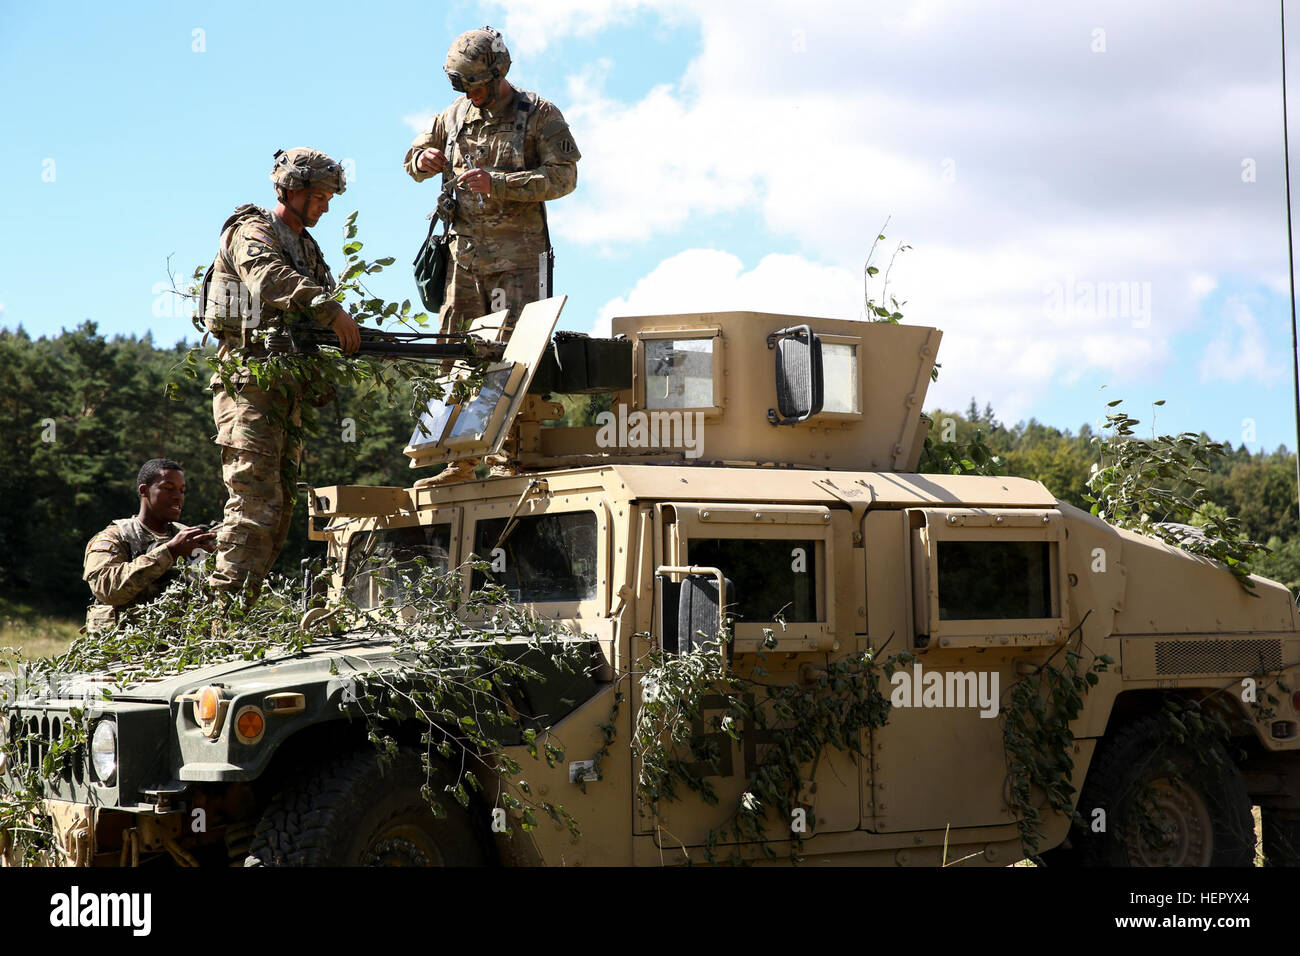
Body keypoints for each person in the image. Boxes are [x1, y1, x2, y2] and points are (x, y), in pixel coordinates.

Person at [403, 25, 581, 483]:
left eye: (477, 85)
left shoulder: (539, 114)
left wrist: (499, 183)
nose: (471, 93)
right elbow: (414, 154)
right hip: (464, 261)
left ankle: (508, 461)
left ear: (499, 73)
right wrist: (423, 160)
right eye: (462, 85)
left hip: (519, 262)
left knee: (514, 356)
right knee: (454, 352)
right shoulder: (455, 114)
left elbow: (563, 178)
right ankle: (457, 462)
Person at [199, 147, 360, 600]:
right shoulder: (252, 230)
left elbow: (315, 317)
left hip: (285, 389)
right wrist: (332, 312)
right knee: (252, 503)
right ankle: (222, 618)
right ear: (292, 188)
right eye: (321, 195)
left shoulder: (308, 247)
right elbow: (267, 278)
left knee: (280, 505)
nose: (326, 206)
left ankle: (240, 608)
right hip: (249, 382)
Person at [83, 459, 216, 634]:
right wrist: (170, 552)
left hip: (183, 649)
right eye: (168, 488)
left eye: (182, 490)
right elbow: (105, 589)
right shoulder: (116, 537)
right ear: (144, 491)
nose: (178, 496)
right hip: (127, 651)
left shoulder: (190, 537)